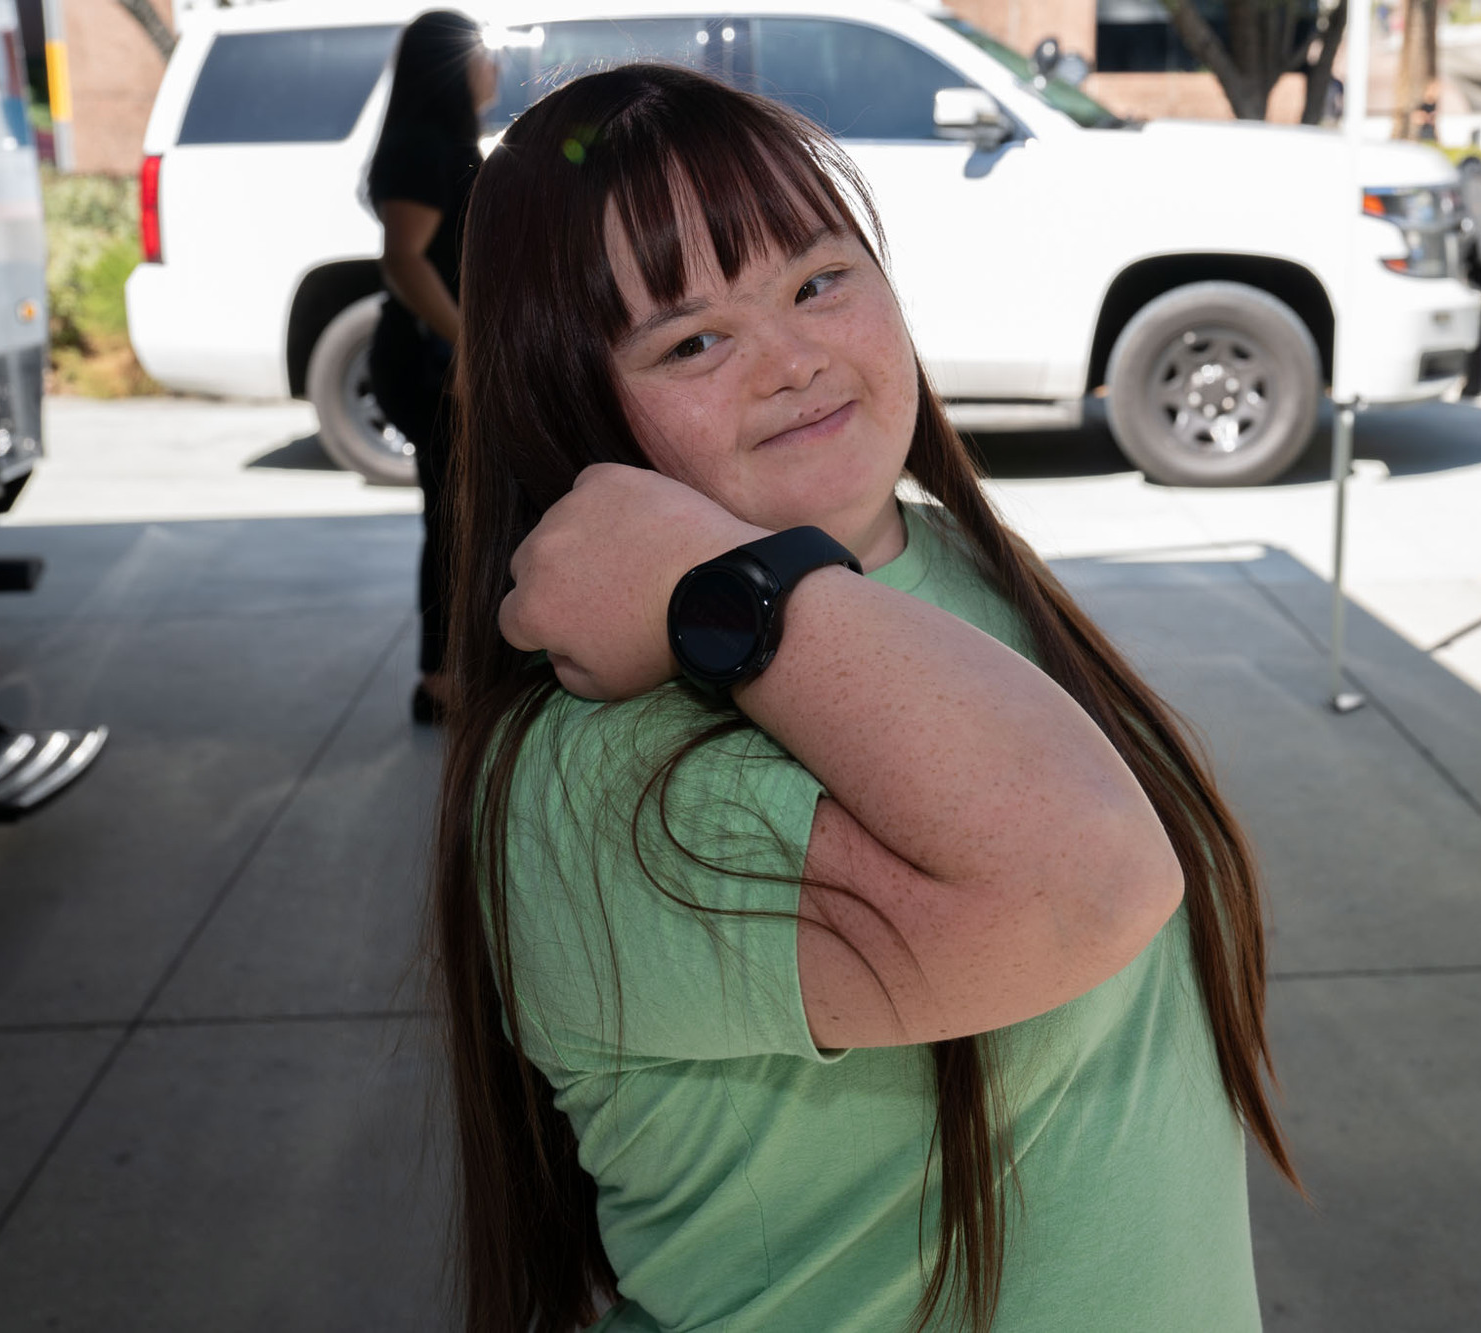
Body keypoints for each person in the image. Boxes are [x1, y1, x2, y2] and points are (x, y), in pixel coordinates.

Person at [430, 63, 1301, 1333]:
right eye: (690, 341)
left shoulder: (929, 559)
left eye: (819, 279)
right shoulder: (601, 774)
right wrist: (707, 586)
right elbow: (1090, 884)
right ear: (570, 403)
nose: (793, 360)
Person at [364, 11, 496, 724]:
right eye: (483, 55)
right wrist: (468, 348)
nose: (494, 68)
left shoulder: (445, 141)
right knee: (453, 512)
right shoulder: (420, 146)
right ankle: (441, 679)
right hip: (428, 359)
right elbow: (403, 259)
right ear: (452, 65)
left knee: (463, 508)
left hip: (441, 353)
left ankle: (456, 667)